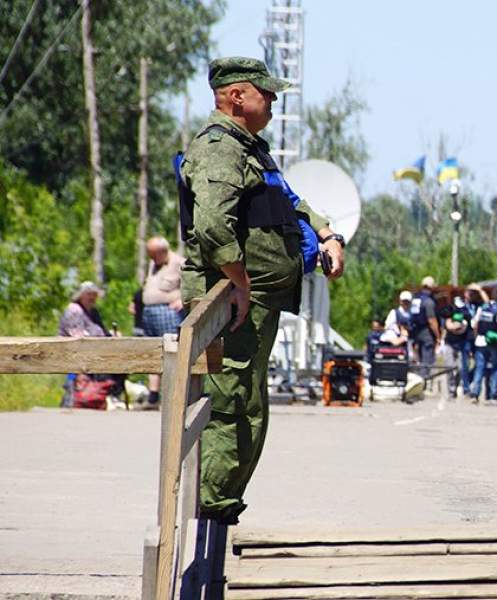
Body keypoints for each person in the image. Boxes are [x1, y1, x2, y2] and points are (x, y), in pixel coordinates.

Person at [177, 56, 345, 525]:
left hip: (255, 302)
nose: (272, 101)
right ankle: (211, 507)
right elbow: (212, 228)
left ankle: (223, 504)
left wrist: (327, 234)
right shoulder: (218, 149)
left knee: (248, 402)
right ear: (236, 97)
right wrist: (241, 282)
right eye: (264, 93)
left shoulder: (251, 150)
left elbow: (290, 199)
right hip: (229, 303)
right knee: (230, 402)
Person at [58, 281, 123, 409]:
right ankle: (100, 395)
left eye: (94, 295)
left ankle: (110, 395)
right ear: (81, 295)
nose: (92, 298)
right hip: (75, 349)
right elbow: (77, 336)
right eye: (89, 294)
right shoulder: (74, 310)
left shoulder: (93, 311)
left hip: (94, 348)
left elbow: (101, 330)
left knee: (123, 358)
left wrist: (112, 335)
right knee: (112, 361)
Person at [141, 236, 186, 406]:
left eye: (153, 254)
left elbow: (194, 284)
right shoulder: (153, 265)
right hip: (149, 312)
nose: (151, 259)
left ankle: (174, 394)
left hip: (167, 312)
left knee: (171, 351)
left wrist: (183, 299)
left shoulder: (179, 262)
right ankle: (153, 395)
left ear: (163, 251)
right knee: (152, 352)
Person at [469, 286, 497, 404]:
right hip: (494, 341)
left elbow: (475, 324)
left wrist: (476, 337)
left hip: (480, 340)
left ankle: (475, 393)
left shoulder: (483, 308)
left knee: (479, 368)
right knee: (495, 368)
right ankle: (493, 395)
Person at [408, 277, 440, 383]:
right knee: (427, 359)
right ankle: (423, 382)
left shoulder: (415, 299)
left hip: (416, 333)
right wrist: (438, 335)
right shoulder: (429, 302)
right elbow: (431, 320)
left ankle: (419, 380)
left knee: (420, 359)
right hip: (426, 333)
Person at [442, 296, 471, 399]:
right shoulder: (448, 312)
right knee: (449, 366)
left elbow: (465, 326)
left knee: (461, 367)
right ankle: (451, 390)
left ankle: (459, 386)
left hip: (462, 343)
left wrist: (458, 325)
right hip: (449, 342)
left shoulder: (466, 314)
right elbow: (449, 325)